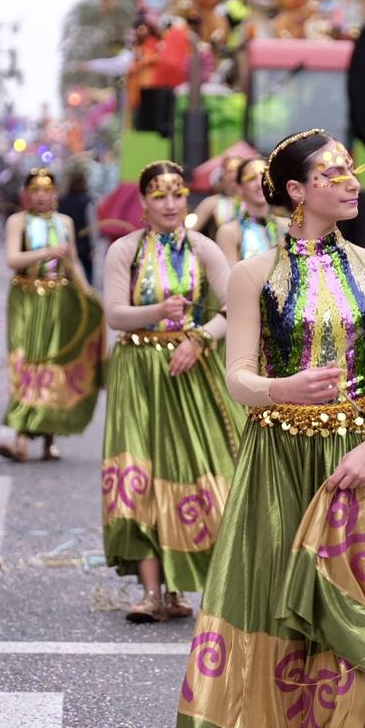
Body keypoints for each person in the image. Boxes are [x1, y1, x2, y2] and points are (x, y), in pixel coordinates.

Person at [174, 130, 365, 728]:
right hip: (276, 463)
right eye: (335, 173)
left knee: (358, 616)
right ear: (296, 191)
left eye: (352, 172)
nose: (352, 183)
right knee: (278, 615)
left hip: (356, 461)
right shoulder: (253, 275)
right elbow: (237, 377)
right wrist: (282, 389)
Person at [100, 160, 243, 623]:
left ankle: (179, 586)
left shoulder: (204, 249)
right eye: (159, 196)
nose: (170, 204)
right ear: (143, 201)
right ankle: (148, 592)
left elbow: (236, 309)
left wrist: (201, 338)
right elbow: (116, 315)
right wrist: (159, 310)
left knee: (192, 471)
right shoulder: (125, 251)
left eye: (178, 194)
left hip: (192, 372)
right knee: (141, 469)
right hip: (139, 373)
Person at [0, 168, 105, 462]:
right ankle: (20, 432)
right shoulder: (17, 222)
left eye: (47, 190)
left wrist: (88, 295)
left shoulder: (65, 223)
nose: (42, 196)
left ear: (56, 193)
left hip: (59, 298)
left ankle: (48, 437)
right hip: (26, 298)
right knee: (25, 362)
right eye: (35, 190)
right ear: (27, 194)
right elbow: (12, 259)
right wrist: (46, 252)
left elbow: (73, 264)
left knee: (54, 364)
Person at [213, 156, 287, 265]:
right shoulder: (229, 232)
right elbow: (230, 279)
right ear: (239, 188)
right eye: (251, 179)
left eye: (264, 177)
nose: (259, 184)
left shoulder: (288, 226)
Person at [191, 154, 243, 238]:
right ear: (223, 174)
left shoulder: (251, 202)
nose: (234, 175)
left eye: (237, 170)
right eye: (229, 171)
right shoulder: (212, 202)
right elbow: (190, 231)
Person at [58, 169, 95, 282]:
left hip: (65, 241)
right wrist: (92, 246)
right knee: (86, 273)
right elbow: (91, 223)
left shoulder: (62, 200)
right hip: (84, 243)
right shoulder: (87, 201)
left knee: (68, 272)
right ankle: (86, 294)